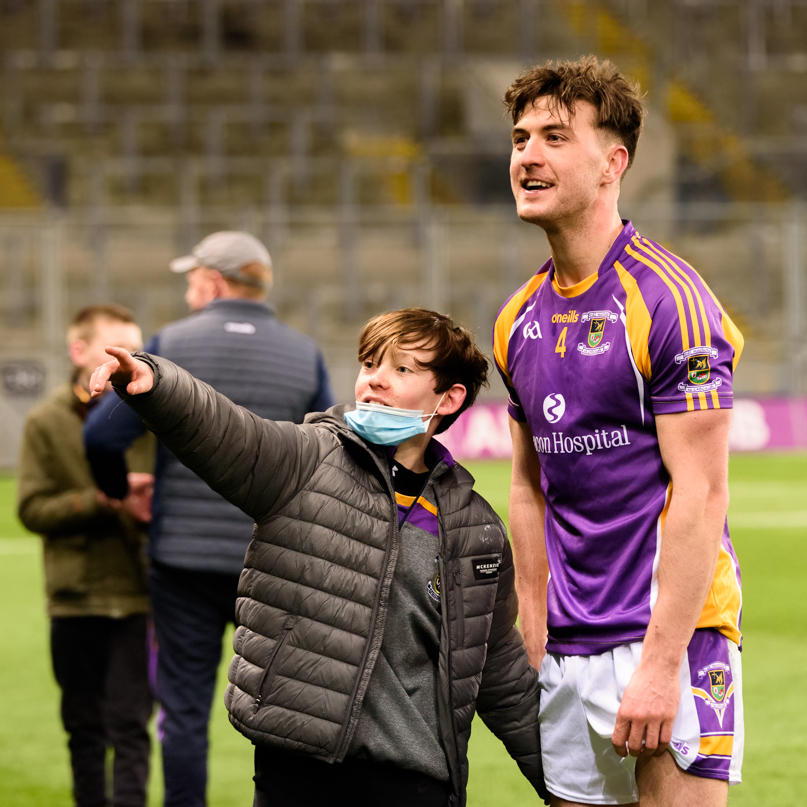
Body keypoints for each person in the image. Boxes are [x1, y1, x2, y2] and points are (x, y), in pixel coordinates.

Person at [88, 307, 548, 807]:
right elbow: (223, 429)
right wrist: (157, 382)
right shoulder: (307, 460)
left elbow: (499, 671)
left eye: (401, 369)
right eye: (369, 364)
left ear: (449, 397)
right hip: (298, 773)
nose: (374, 381)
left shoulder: (476, 529)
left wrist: (564, 787)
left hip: (417, 783)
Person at [492, 56, 744, 807]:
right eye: (519, 137)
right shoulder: (515, 320)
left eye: (554, 137)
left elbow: (700, 494)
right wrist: (530, 618)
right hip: (568, 648)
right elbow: (528, 484)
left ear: (613, 163)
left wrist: (662, 663)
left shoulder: (670, 300)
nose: (527, 155)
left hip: (669, 633)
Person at [83, 231, 335, 807]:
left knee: (185, 712)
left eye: (192, 278)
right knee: (283, 714)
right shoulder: (304, 352)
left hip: (184, 562)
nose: (190, 289)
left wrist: (121, 493)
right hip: (277, 558)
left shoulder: (170, 344)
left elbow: (101, 436)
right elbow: (328, 454)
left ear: (214, 282)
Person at [17, 304, 154, 807]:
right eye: (113, 346)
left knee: (131, 727)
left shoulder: (147, 412)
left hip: (139, 594)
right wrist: (104, 499)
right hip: (74, 600)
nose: (127, 358)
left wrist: (153, 500)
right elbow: (31, 508)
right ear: (78, 351)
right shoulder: (45, 421)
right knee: (84, 729)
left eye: (135, 348)